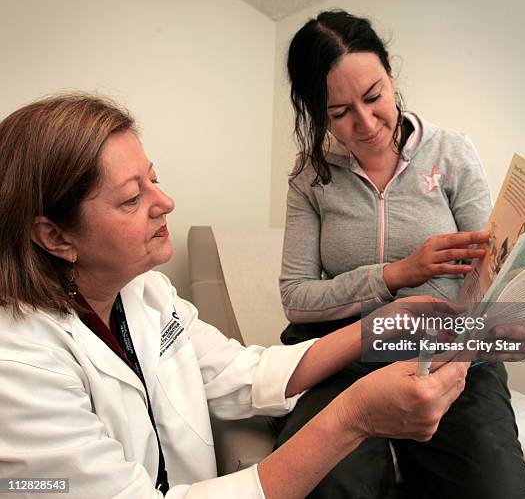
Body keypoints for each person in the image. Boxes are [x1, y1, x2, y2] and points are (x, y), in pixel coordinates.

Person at [0, 93, 473, 498]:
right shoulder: (18, 366)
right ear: (56, 237)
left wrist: (378, 326)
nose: (164, 203)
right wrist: (355, 417)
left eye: (154, 179)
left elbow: (243, 374)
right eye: (131, 199)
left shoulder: (146, 295)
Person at [277, 10, 525, 499]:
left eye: (374, 96)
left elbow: (487, 282)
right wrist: (398, 274)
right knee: (322, 483)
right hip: (346, 351)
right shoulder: (309, 178)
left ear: (391, 74)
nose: (366, 123)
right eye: (339, 113)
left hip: (443, 348)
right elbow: (296, 298)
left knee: (495, 488)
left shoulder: (452, 154)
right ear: (317, 112)